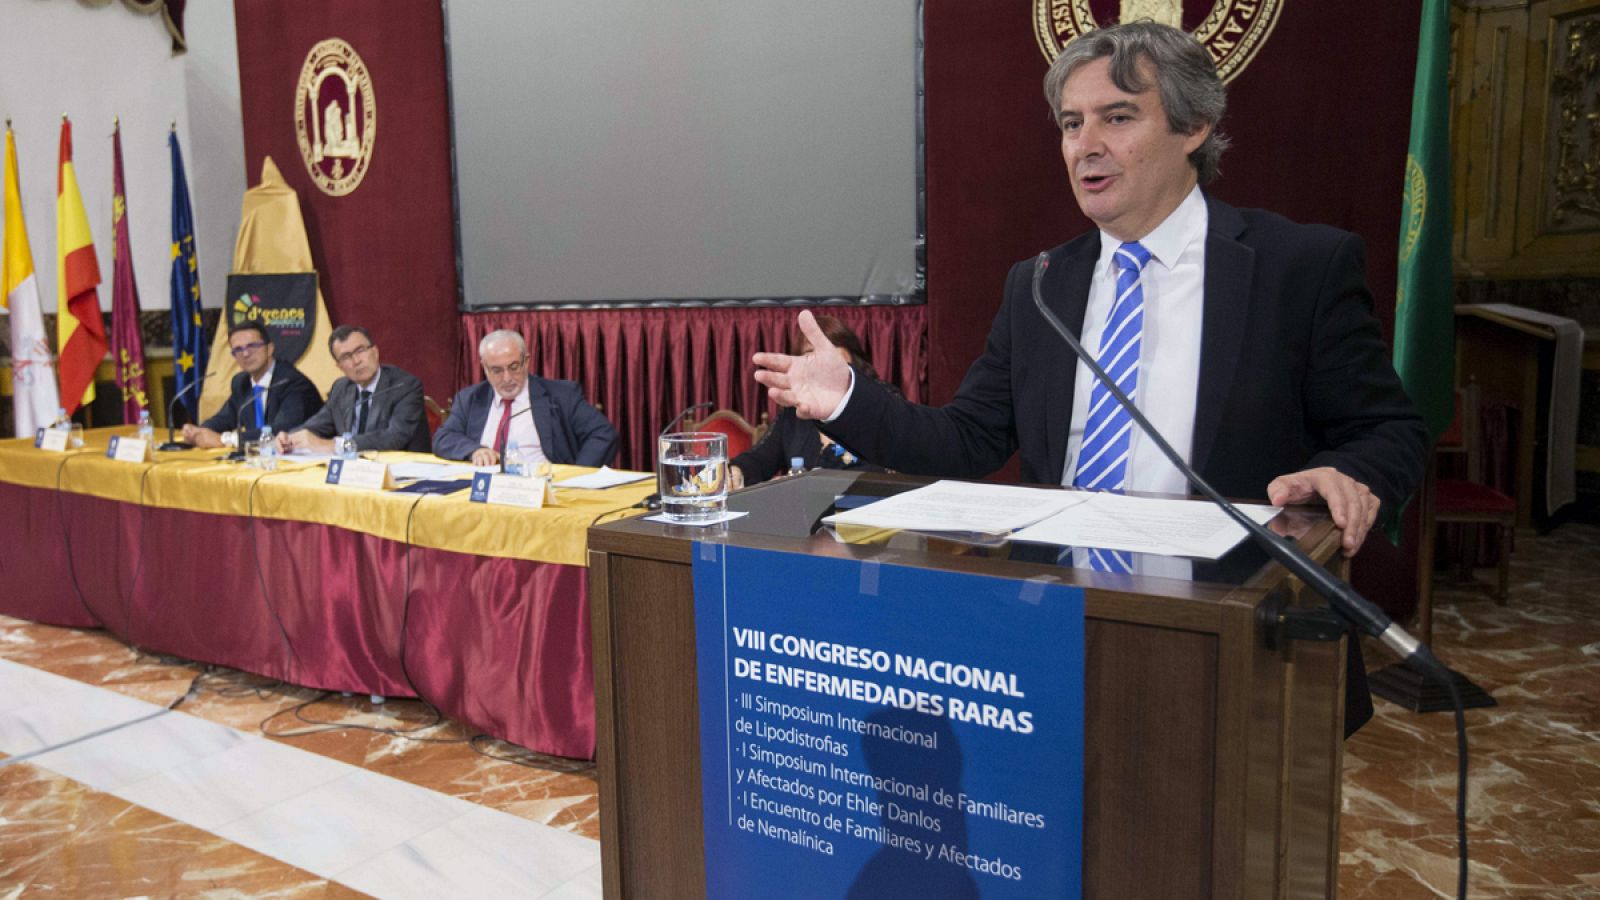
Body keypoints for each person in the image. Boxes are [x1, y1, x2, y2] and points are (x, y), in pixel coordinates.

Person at [754, 22, 1426, 558]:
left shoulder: (1298, 266)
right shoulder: (1041, 283)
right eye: (1073, 125)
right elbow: (966, 440)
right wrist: (843, 397)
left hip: (1237, 618)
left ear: (1193, 128)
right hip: (1058, 618)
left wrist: (1349, 474)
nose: (1086, 145)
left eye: (1118, 117)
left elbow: (1386, 430)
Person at [731, 316, 894, 489]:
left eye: (830, 348)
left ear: (852, 356)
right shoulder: (795, 410)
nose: (822, 361)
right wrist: (736, 472)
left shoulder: (881, 397)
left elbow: (884, 470)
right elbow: (760, 458)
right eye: (810, 354)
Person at [433, 329, 618, 468]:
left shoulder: (561, 396)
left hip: (540, 490)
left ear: (526, 361)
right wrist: (474, 450)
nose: (507, 378)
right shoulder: (471, 398)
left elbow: (603, 434)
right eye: (497, 370)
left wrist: (577, 478)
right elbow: (443, 438)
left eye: (514, 367)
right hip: (485, 492)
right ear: (484, 368)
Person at [278, 325, 430, 454]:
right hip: (353, 474)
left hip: (401, 475)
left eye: (360, 350)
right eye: (346, 357)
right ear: (339, 367)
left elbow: (394, 438)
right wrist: (289, 438)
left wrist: (334, 445)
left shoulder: (405, 386)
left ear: (375, 352)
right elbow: (315, 426)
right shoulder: (341, 388)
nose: (356, 361)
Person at [183, 323, 324, 448]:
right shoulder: (241, 383)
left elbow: (282, 430)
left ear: (269, 349)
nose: (245, 354)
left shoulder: (292, 382)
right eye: (238, 349)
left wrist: (226, 440)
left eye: (252, 346)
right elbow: (224, 419)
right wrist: (198, 432)